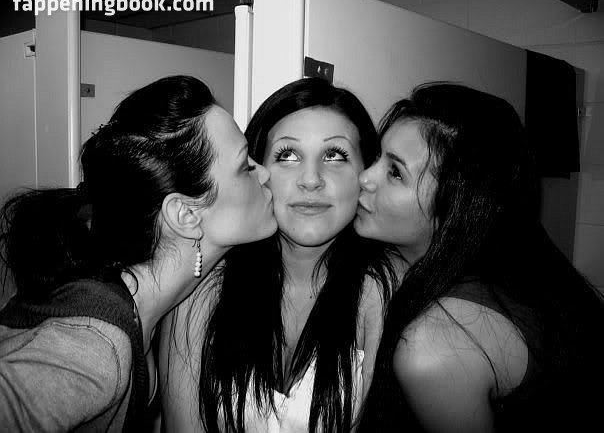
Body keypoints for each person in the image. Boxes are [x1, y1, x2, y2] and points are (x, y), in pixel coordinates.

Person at [0, 75, 276, 432]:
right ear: (186, 214)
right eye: (245, 166)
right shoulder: (97, 345)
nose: (264, 173)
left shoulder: (139, 300)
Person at [354, 82, 604, 432]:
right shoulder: (509, 261)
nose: (364, 177)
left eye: (395, 172)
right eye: (377, 158)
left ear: (456, 206)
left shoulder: (431, 348)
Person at [159, 77, 396, 432]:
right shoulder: (204, 285)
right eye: (288, 155)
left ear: (366, 173)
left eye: (335, 155)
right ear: (257, 172)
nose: (311, 180)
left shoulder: (381, 292)